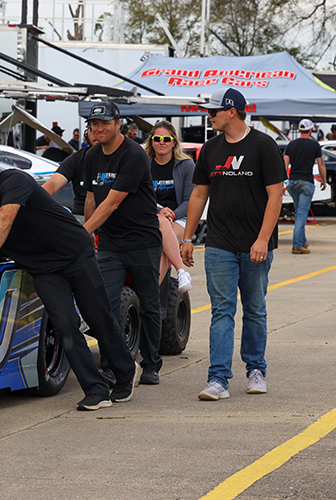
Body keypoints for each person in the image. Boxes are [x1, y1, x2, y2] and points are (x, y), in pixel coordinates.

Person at [0, 148, 138, 411]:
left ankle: (126, 373)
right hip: (43, 270)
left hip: (74, 254)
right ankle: (96, 389)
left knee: (98, 317)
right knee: (65, 326)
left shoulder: (14, 181)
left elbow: (6, 217)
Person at [181, 87, 286, 401]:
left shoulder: (264, 146)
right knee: (221, 311)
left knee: (254, 310)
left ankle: (256, 370)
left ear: (232, 112)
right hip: (219, 243)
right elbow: (199, 194)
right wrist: (187, 237)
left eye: (213, 111)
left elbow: (276, 195)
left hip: (255, 244)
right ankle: (218, 379)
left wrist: (263, 239)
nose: (208, 116)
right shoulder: (210, 149)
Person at [82, 101, 164, 386]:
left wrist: (85, 231)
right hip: (110, 244)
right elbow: (92, 199)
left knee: (149, 303)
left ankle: (151, 363)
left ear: (119, 124)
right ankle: (111, 365)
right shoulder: (92, 156)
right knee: (105, 303)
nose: (99, 129)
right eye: (94, 124)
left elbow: (113, 202)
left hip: (143, 241)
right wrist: (91, 236)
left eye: (105, 123)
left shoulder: (133, 155)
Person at [143, 120, 195, 292]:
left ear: (174, 142)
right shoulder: (144, 165)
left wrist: (169, 215)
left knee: (162, 242)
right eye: (157, 139)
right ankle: (181, 272)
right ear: (151, 141)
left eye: (166, 139)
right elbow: (141, 196)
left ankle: (151, 293)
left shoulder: (186, 165)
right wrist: (159, 211)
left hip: (179, 217)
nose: (161, 143)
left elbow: (190, 201)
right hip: (150, 215)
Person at [284, 118, 327, 254]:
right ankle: (297, 245)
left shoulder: (291, 145)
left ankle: (302, 241)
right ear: (310, 130)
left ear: (299, 130)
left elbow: (284, 164)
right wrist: (324, 180)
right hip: (306, 182)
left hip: (293, 182)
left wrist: (283, 181)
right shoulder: (314, 145)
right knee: (302, 213)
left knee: (298, 213)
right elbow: (321, 165)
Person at [42, 124, 99, 215]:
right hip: (81, 216)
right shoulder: (77, 158)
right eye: (92, 129)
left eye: (104, 126)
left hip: (112, 218)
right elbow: (53, 184)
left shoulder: (123, 157)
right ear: (87, 131)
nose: (98, 132)